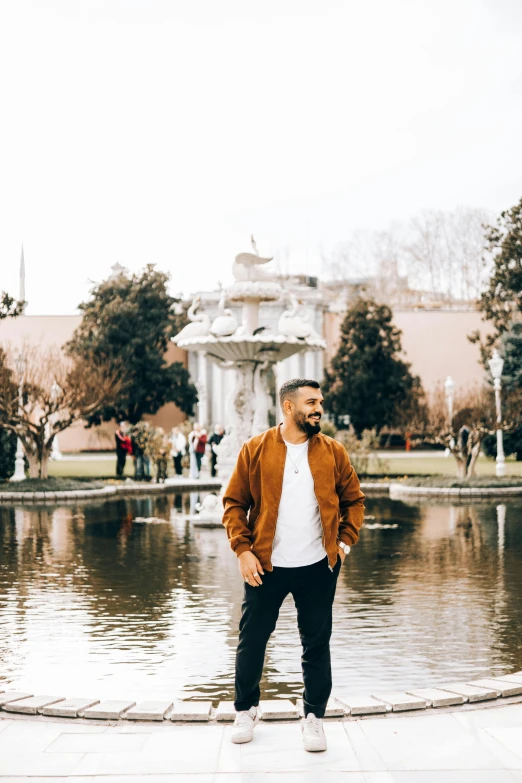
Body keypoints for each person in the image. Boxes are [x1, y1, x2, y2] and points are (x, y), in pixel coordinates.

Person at [222, 379, 365, 752]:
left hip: (319, 566)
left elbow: (355, 500)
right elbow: (234, 503)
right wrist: (242, 550)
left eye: (320, 402)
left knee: (316, 643)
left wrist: (344, 544)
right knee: (252, 640)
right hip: (265, 565)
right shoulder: (255, 449)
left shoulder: (333, 452)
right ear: (289, 407)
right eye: (311, 402)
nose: (319, 409)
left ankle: (313, 716)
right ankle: (246, 709)